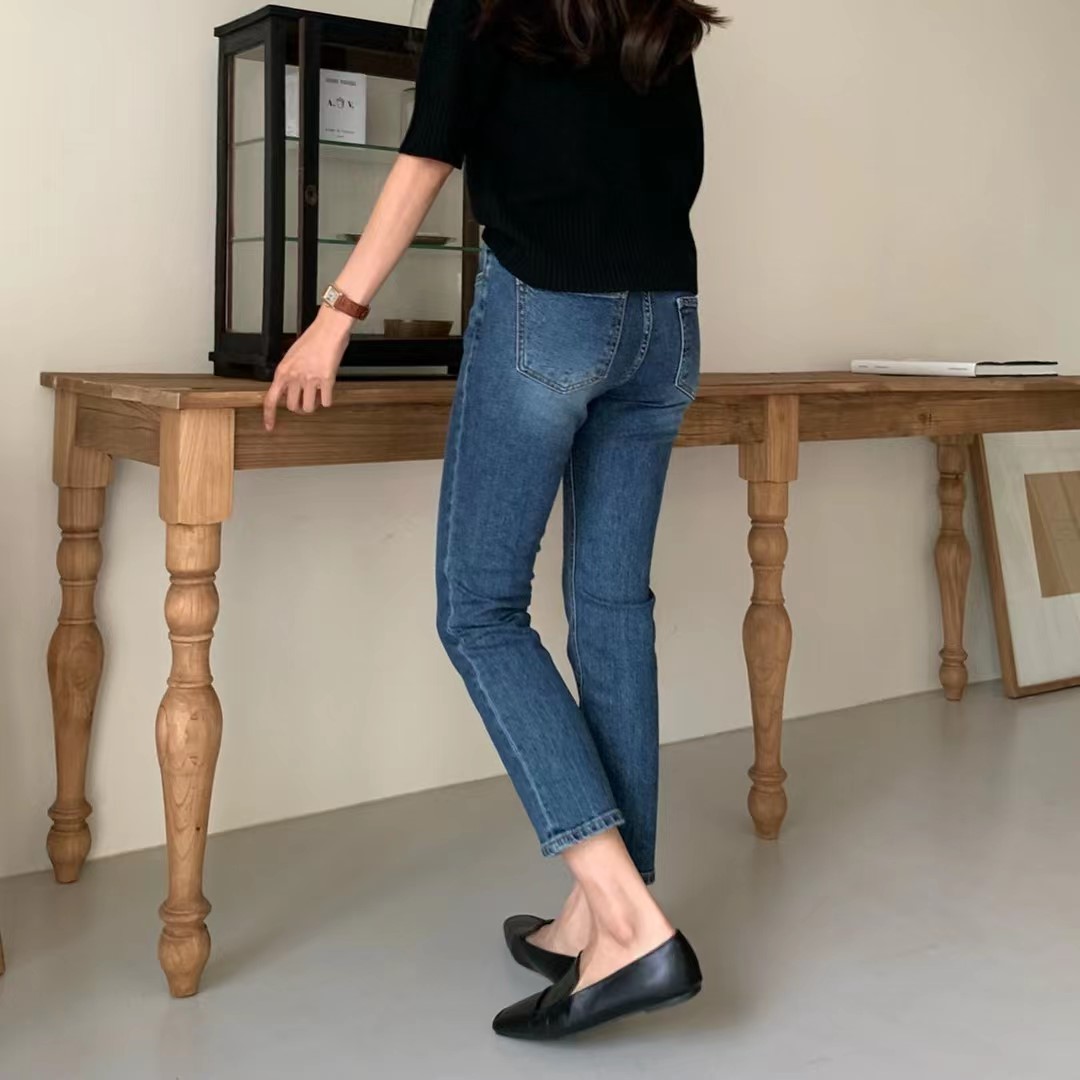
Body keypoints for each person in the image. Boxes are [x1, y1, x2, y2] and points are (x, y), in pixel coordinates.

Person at [263, 0, 722, 1041]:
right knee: (612, 609)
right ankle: (595, 915)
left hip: (550, 313)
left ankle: (628, 922)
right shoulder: (655, 10)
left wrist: (335, 318)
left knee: (479, 609)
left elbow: (430, 153)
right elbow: (679, 172)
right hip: (668, 323)